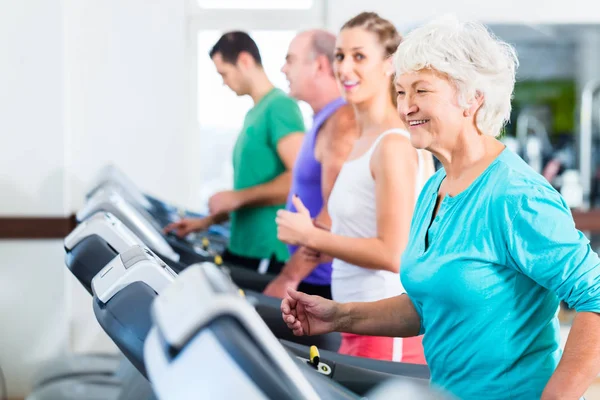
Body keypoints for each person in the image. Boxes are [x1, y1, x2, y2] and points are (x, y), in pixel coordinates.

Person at [280, 15, 600, 400]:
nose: (406, 106)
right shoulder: (435, 186)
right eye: (400, 92)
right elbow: (425, 305)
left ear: (472, 98)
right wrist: (337, 315)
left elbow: (594, 295)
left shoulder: (517, 197)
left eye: (421, 90)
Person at [275, 12, 433, 364]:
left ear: (389, 65)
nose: (345, 69)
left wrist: (310, 237)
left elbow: (393, 254)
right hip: (355, 324)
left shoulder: (393, 144)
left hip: (384, 333)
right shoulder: (366, 138)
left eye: (359, 57)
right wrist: (316, 233)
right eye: (340, 56)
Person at [165, 31, 305, 273]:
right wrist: (206, 222)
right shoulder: (255, 112)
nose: (224, 82)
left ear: (244, 61)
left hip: (267, 251)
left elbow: (299, 179)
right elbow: (250, 190)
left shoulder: (281, 107)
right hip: (242, 246)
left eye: (224, 74)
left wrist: (236, 197)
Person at [262, 29, 359, 300]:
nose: (283, 68)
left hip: (323, 285)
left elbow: (337, 211)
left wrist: (289, 277)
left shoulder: (341, 123)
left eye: (290, 60)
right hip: (310, 279)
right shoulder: (324, 119)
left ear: (319, 65)